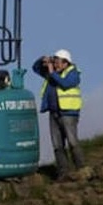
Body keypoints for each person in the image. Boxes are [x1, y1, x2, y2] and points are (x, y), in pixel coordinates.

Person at [32, 48, 85, 180]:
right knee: (57, 145)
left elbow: (65, 84)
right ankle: (63, 172)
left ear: (66, 63)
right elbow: (36, 68)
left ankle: (81, 169)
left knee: (72, 142)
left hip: (68, 113)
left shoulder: (73, 73)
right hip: (54, 113)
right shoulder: (52, 72)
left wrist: (52, 72)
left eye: (58, 61)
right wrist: (43, 60)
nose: (55, 64)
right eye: (54, 61)